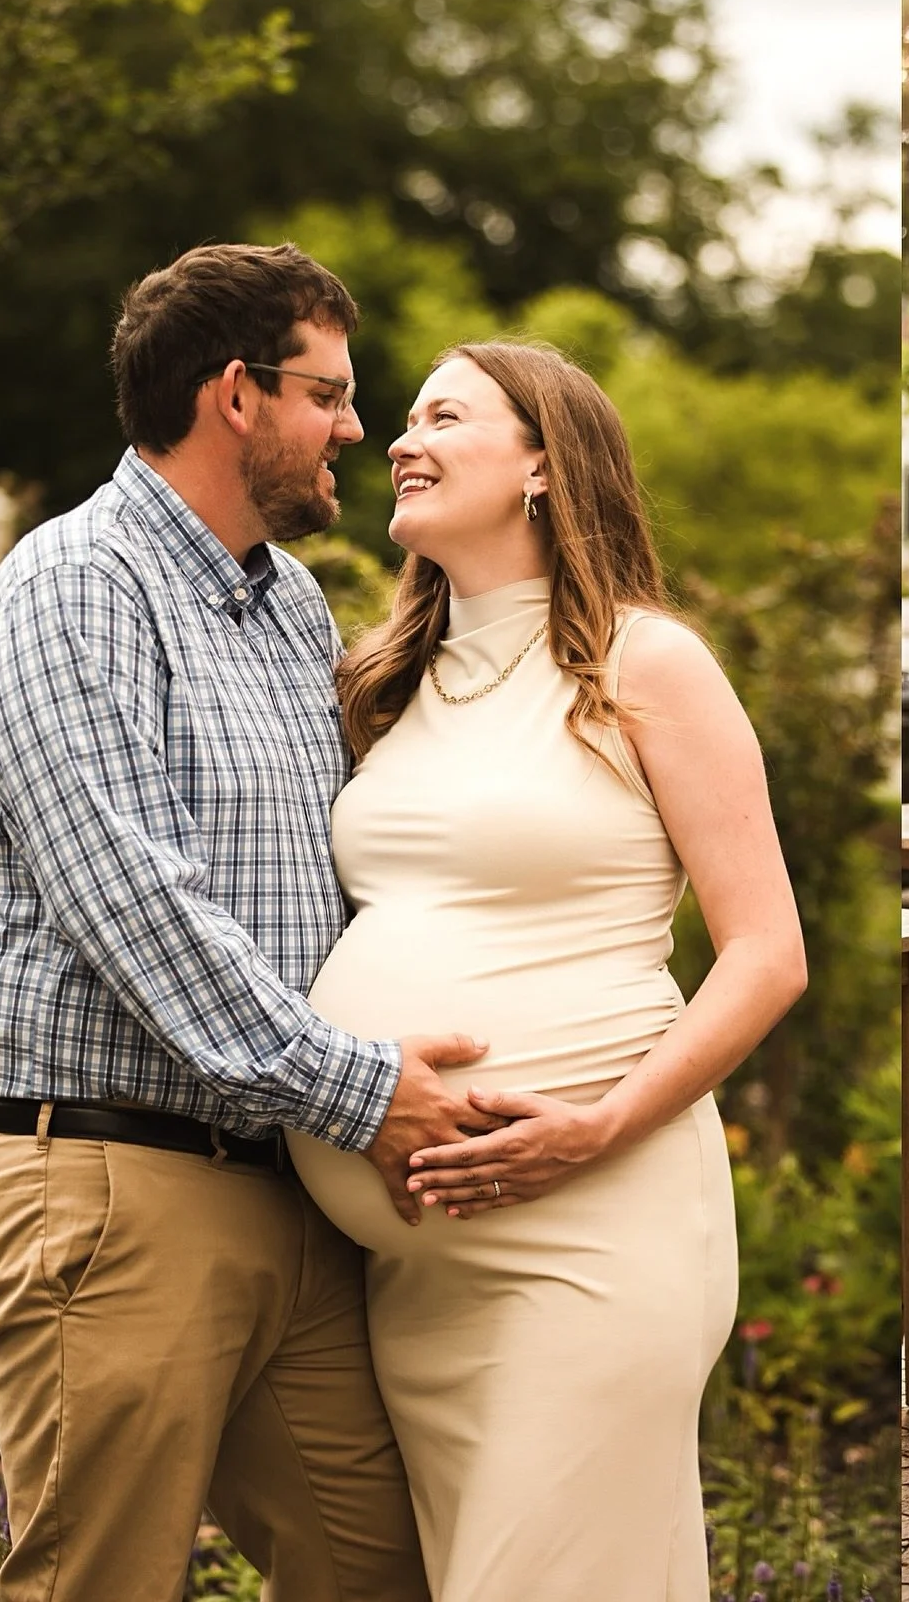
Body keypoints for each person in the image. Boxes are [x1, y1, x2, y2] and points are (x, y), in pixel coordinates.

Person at [0, 242, 501, 1602]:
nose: (357, 427)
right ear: (238, 394)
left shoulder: (289, 607)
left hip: (285, 1182)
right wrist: (364, 1090)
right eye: (330, 394)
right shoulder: (73, 587)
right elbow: (129, 900)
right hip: (107, 1184)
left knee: (384, 1570)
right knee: (99, 1584)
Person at [288, 339, 807, 1602]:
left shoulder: (646, 665)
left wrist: (599, 1127)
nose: (398, 439)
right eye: (399, 417)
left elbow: (768, 952)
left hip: (595, 1233)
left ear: (540, 463)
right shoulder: (383, 682)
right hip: (419, 1275)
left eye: (443, 417)